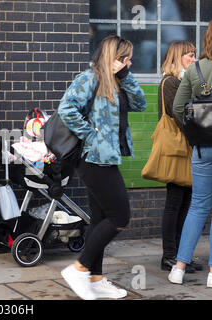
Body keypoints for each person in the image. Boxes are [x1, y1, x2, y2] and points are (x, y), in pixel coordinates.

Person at [58, 35, 146, 300]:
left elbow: (141, 103)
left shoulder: (118, 81)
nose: (129, 61)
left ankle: (95, 279)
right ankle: (79, 268)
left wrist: (126, 74)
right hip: (93, 158)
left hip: (107, 158)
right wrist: (91, 134)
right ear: (113, 56)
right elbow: (66, 109)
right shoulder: (89, 78)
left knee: (99, 219)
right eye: (125, 57)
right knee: (120, 217)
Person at [168, 18, 212, 287]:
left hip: (202, 148)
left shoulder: (194, 69)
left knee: (197, 207)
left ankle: (178, 268)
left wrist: (192, 133)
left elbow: (177, 108)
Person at [158, 41, 202, 273]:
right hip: (178, 149)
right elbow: (181, 115)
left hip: (187, 149)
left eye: (195, 55)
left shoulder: (183, 80)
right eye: (189, 55)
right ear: (177, 57)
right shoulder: (171, 82)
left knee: (186, 203)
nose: (194, 59)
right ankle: (169, 256)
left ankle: (181, 254)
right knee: (175, 203)